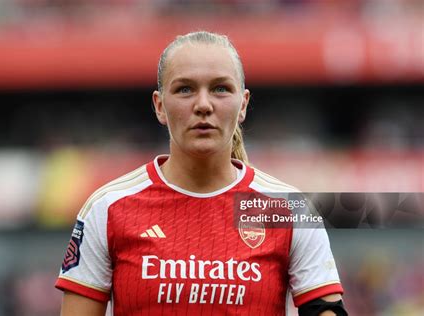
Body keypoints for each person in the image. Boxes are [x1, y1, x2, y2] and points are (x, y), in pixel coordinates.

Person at [55, 31, 347, 316]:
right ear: (159, 106)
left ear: (243, 104)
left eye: (221, 88)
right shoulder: (108, 207)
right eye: (185, 89)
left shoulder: (287, 208)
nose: (204, 105)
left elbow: (326, 309)